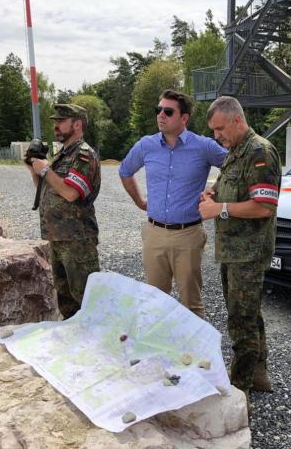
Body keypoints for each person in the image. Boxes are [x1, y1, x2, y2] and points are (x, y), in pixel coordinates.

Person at [198, 96, 281, 400]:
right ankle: (259, 374)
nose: (215, 136)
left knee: (240, 320)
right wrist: (214, 192)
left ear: (236, 120)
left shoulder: (259, 152)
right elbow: (236, 191)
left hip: (249, 252)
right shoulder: (235, 151)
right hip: (232, 250)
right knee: (248, 313)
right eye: (213, 131)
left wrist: (219, 208)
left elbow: (263, 206)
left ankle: (240, 390)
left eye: (219, 128)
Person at [119, 90, 227, 320]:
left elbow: (233, 165)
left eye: (168, 111)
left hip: (188, 235)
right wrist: (140, 202)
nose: (161, 115)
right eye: (158, 110)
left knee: (191, 304)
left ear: (184, 118)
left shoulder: (203, 147)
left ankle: (195, 354)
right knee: (156, 302)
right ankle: (159, 353)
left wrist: (214, 191)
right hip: (154, 234)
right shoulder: (146, 145)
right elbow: (125, 171)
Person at [26, 103, 101, 320]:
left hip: (78, 239)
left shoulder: (84, 155)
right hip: (58, 237)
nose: (56, 126)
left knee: (87, 300)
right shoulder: (63, 155)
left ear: (77, 124)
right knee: (66, 300)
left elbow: (70, 193)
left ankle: (96, 345)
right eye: (55, 122)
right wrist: (33, 168)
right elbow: (47, 190)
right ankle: (74, 343)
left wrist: (46, 170)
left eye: (61, 121)